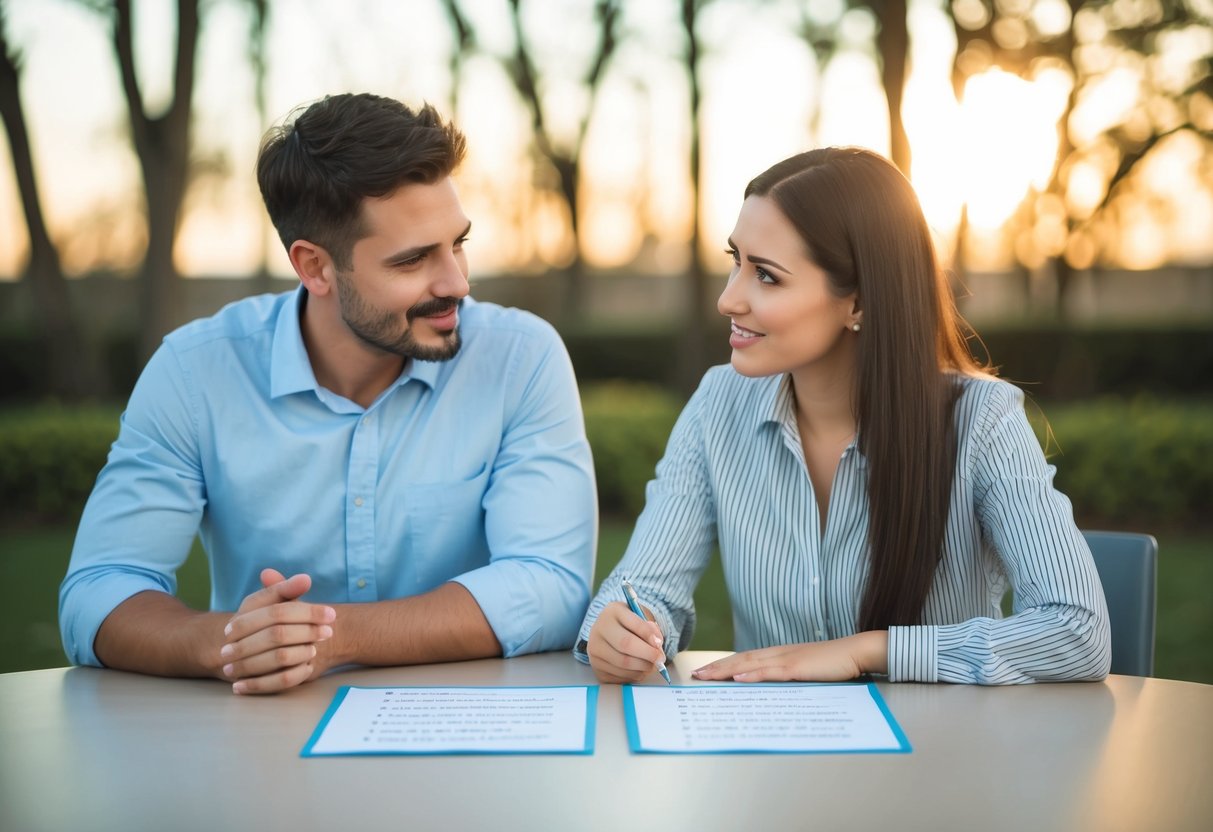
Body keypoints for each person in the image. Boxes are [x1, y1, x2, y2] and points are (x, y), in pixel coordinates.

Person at [60, 93, 597, 694]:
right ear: (314, 267)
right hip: (261, 747)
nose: (457, 282)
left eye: (458, 243)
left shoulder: (520, 358)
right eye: (414, 259)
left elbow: (551, 586)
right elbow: (99, 591)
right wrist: (230, 643)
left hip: (471, 733)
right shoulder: (195, 372)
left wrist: (331, 637)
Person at [578, 147, 1110, 686]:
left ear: (858, 302)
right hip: (771, 760)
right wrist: (625, 631)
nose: (727, 299)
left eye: (766, 276)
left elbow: (1077, 631)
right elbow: (643, 589)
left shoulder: (981, 421)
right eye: (735, 261)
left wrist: (868, 652)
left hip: (940, 760)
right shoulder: (718, 404)